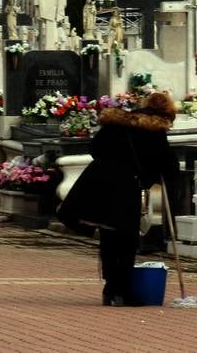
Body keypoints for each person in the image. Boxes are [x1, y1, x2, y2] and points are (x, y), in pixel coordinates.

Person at [58, 91, 180, 306]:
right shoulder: (154, 129)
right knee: (127, 239)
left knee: (108, 235)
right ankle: (122, 291)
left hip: (99, 181)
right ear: (165, 113)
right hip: (125, 185)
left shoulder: (116, 122)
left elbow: (94, 148)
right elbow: (166, 162)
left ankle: (109, 288)